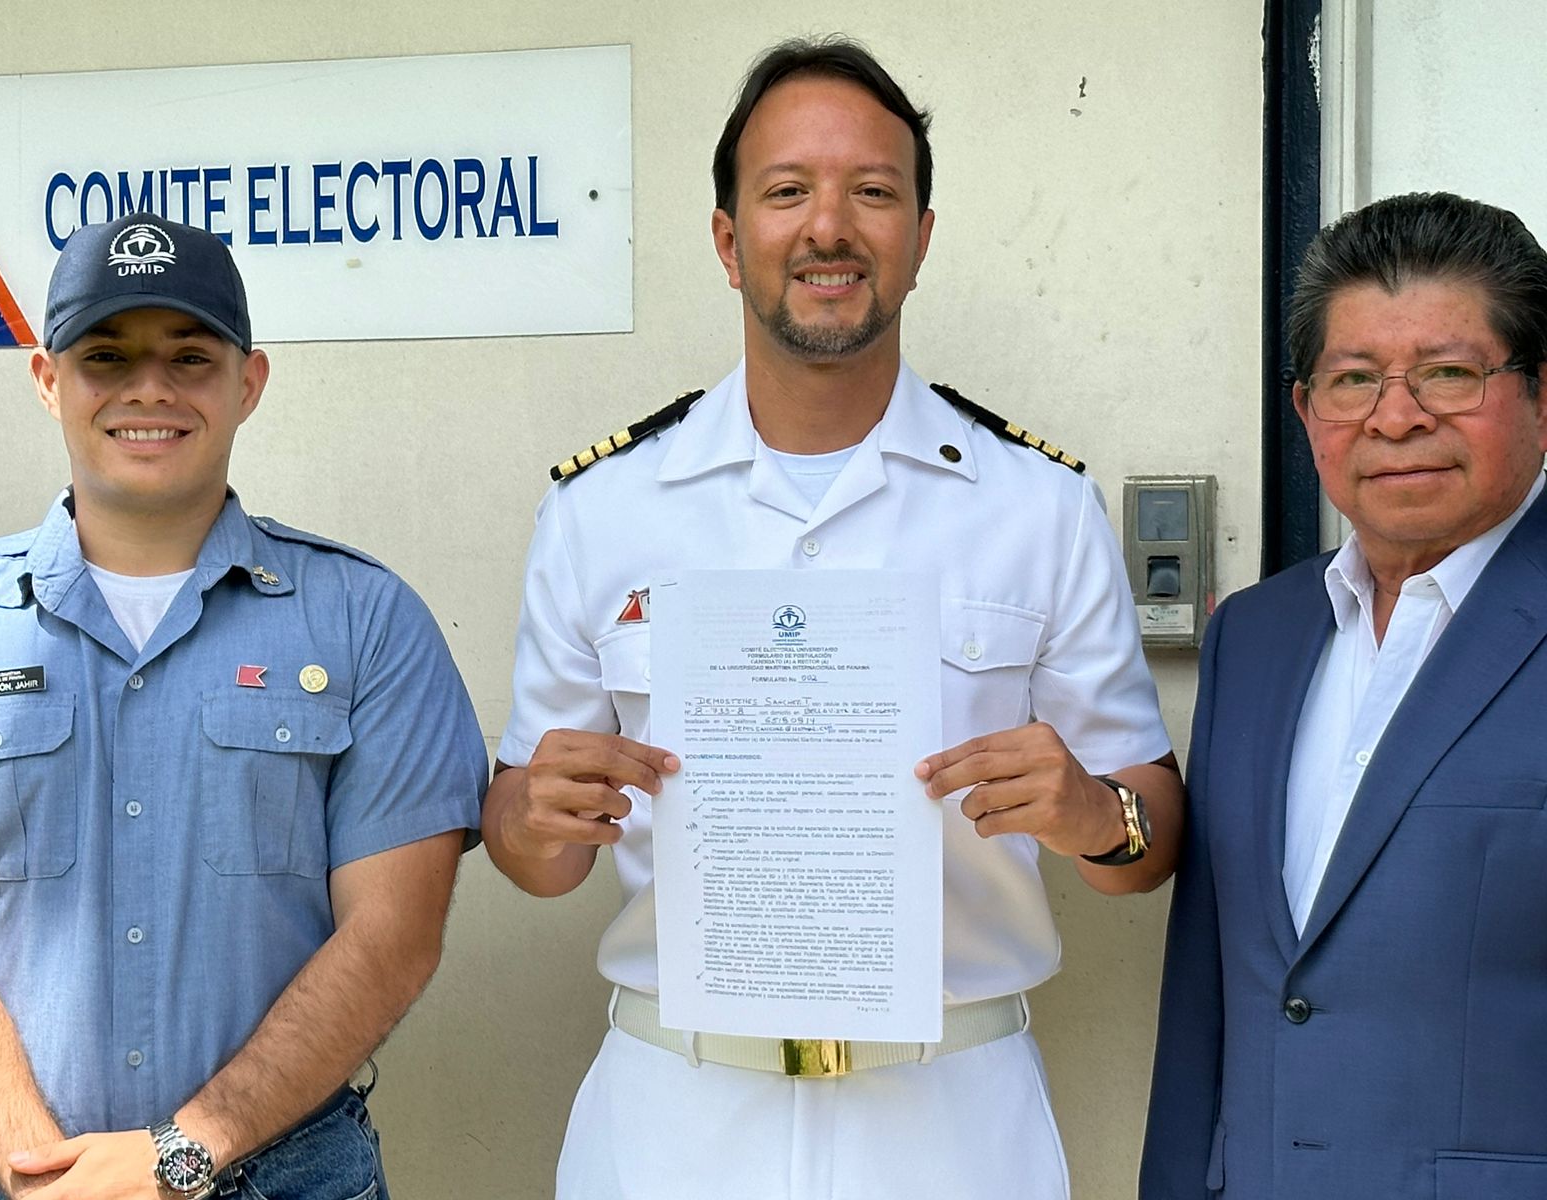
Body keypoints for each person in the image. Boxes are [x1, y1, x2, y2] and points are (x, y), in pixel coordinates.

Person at [484, 35, 1183, 1200]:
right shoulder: (598, 513)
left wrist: (1089, 814)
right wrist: (530, 818)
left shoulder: (1038, 509)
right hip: (674, 1116)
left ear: (917, 235)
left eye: (872, 192)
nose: (829, 227)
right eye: (787, 191)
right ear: (726, 239)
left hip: (953, 1121)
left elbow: (1145, 840)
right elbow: (533, 853)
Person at [0, 212, 487, 1200]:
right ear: (46, 380)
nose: (148, 388)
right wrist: (41, 1175)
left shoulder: (366, 622)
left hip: (289, 1180)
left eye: (190, 357)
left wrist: (182, 1152)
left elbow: (391, 936)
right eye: (105, 355)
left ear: (249, 381)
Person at [1140, 192, 1547, 1199]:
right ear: (1304, 409)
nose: (1395, 416)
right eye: (1352, 379)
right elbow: (1210, 995)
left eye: (1448, 374)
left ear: (1541, 392)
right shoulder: (1258, 634)